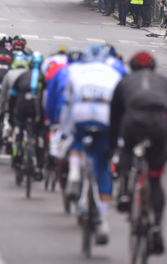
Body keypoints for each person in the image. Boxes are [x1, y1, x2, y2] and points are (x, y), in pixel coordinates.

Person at [109, 51, 167, 255]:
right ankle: (156, 225)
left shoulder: (125, 81)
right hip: (159, 125)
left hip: (134, 122)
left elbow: (115, 118)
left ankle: (123, 191)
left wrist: (112, 145)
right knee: (155, 179)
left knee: (126, 150)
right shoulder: (164, 82)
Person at [62, 45, 123, 245]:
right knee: (102, 166)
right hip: (104, 114)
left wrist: (64, 130)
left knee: (76, 139)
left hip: (81, 110)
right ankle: (104, 220)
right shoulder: (115, 71)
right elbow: (121, 106)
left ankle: (74, 172)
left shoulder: (76, 69)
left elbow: (66, 102)